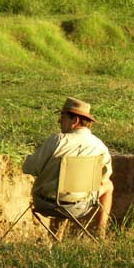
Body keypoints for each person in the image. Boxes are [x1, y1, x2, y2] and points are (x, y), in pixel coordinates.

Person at [23, 97, 114, 238]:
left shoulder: (57, 140)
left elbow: (29, 168)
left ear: (75, 120)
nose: (59, 121)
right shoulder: (100, 146)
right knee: (109, 186)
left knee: (58, 186)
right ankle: (100, 233)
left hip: (45, 204)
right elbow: (103, 179)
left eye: (63, 116)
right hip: (80, 206)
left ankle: (57, 236)